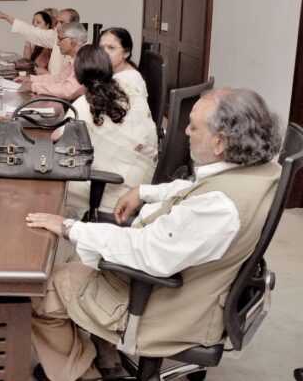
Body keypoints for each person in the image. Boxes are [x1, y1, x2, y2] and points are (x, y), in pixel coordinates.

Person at [26, 87, 282, 381]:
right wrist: (144, 192)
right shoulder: (259, 171)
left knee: (40, 292)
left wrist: (71, 227)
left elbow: (147, 253)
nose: (185, 131)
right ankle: (102, 356)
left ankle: (81, 374)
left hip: (163, 307)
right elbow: (192, 188)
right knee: (75, 263)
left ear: (220, 141)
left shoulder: (217, 207)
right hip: (193, 287)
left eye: (194, 126)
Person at [63, 45, 158, 218]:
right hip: (143, 184)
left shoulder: (82, 105)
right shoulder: (132, 91)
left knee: (51, 184)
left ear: (77, 76)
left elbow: (60, 139)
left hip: (112, 191)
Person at [16, 22, 88, 100]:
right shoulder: (77, 57)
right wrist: (31, 79)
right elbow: (58, 79)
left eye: (60, 39)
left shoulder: (84, 59)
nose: (57, 43)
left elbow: (67, 91)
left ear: (73, 41)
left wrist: (34, 86)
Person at [0, 7, 66, 75]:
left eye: (61, 22)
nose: (58, 25)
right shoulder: (51, 37)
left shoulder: (52, 40)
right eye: (33, 22)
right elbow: (29, 31)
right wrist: (5, 16)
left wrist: (4, 16)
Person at [98, 27, 148, 101]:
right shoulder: (110, 71)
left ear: (126, 53)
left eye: (111, 47)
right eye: (101, 47)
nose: (104, 52)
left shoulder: (130, 81)